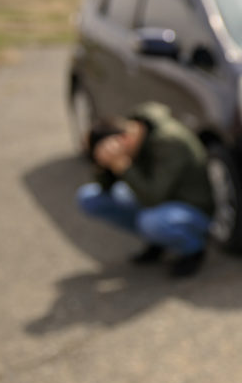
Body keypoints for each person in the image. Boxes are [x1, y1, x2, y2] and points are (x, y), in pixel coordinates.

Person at [76, 102, 214, 278]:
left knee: (150, 221)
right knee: (90, 197)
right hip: (159, 199)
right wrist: (103, 168)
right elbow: (105, 189)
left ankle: (193, 248)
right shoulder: (134, 131)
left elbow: (153, 198)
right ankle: (159, 240)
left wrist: (123, 166)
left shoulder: (169, 142)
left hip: (193, 207)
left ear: (123, 140)